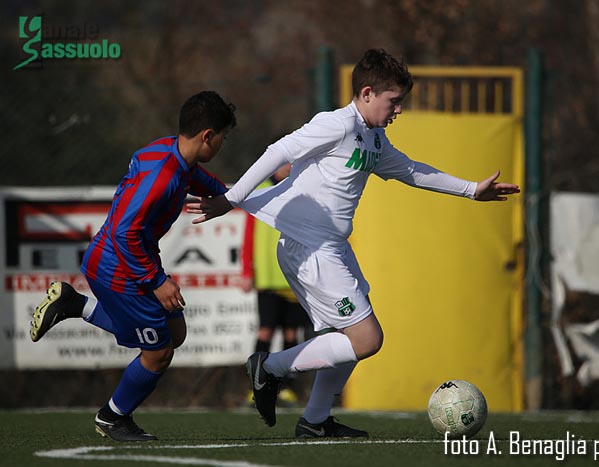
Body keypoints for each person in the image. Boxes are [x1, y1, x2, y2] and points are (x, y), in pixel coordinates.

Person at [187, 49, 520, 438]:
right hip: (309, 248)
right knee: (367, 338)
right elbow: (279, 151)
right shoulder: (337, 124)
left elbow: (412, 170)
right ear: (366, 93)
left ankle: (314, 420)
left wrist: (471, 190)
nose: (399, 110)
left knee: (348, 335)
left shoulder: (374, 139)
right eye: (393, 101)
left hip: (331, 248)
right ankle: (270, 368)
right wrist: (230, 199)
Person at [29, 91, 236, 442]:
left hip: (129, 259)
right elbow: (124, 233)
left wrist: (231, 194)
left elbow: (196, 179)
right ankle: (113, 417)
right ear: (207, 136)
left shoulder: (171, 152)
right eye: (223, 137)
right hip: (118, 266)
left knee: (174, 334)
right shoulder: (164, 176)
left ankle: (74, 304)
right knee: (158, 352)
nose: (222, 145)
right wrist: (156, 281)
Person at [240, 163, 312, 406]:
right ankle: (255, 387)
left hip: (293, 275)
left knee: (292, 332)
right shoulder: (259, 189)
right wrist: (247, 270)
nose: (289, 166)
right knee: (266, 330)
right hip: (268, 277)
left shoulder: (300, 187)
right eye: (285, 161)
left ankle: (287, 388)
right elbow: (249, 233)